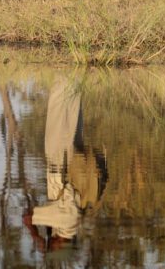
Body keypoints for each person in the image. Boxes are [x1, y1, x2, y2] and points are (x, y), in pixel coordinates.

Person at [23, 78, 108, 255]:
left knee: (71, 113)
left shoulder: (74, 222)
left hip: (68, 162)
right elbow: (28, 217)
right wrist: (37, 238)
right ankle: (64, 75)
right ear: (60, 246)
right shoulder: (65, 222)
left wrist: (47, 232)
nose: (51, 248)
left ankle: (73, 75)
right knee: (59, 109)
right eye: (53, 250)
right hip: (60, 161)